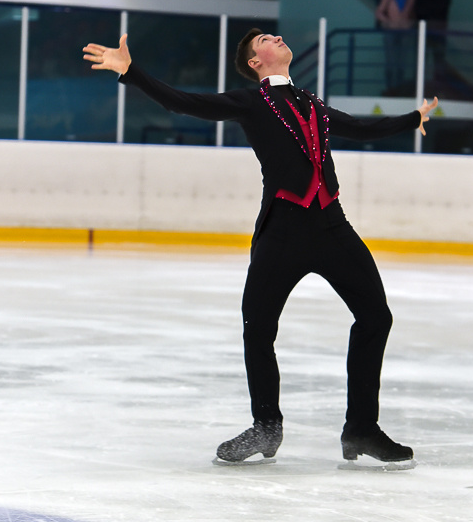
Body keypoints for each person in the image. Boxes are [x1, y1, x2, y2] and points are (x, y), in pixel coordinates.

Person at [83, 29, 438, 464]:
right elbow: (184, 102)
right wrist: (131, 72)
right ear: (255, 63)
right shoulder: (250, 102)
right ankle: (266, 425)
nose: (278, 37)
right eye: (266, 39)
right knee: (258, 328)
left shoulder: (313, 104)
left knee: (376, 317)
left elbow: (361, 128)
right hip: (282, 232)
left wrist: (411, 119)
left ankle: (362, 428)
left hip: (332, 226)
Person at [375, 0, 416, 94]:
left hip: (405, 32)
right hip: (391, 30)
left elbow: (413, 14)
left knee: (402, 60)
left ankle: (399, 88)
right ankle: (390, 88)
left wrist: (409, 24)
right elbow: (379, 12)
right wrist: (388, 21)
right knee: (390, 60)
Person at [414, 0, 452, 74]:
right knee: (421, 61)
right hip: (424, 34)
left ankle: (438, 82)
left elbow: (440, 10)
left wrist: (427, 9)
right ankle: (419, 83)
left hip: (439, 33)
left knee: (439, 61)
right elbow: (418, 12)